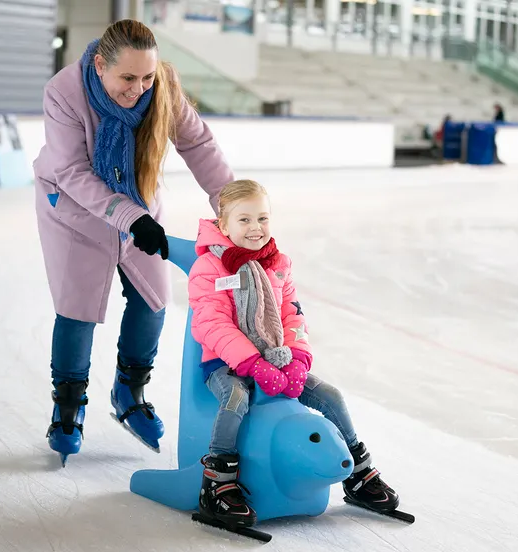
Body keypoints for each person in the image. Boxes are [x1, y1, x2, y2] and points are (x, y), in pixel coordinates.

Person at [33, 19, 235, 463]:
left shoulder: (159, 88)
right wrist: (129, 217)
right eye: (128, 78)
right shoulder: (64, 93)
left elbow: (198, 143)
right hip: (73, 207)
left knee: (154, 299)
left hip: (138, 199)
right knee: (77, 306)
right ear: (101, 65)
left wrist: (231, 204)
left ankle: (130, 392)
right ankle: (67, 408)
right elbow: (72, 172)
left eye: (147, 77)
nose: (139, 88)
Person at [187, 179, 401, 528]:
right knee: (236, 399)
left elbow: (292, 314)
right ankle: (218, 483)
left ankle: (359, 473)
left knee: (328, 394)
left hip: (276, 358)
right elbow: (212, 325)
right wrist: (251, 364)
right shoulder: (210, 268)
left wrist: (298, 357)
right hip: (224, 363)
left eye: (262, 218)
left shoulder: (277, 262)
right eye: (244, 220)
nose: (256, 228)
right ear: (223, 225)